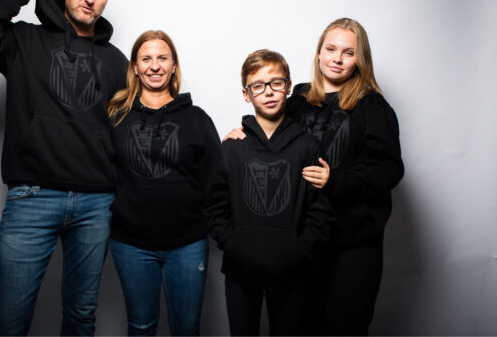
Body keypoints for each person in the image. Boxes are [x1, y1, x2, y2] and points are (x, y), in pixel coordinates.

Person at [0, 0, 128, 336]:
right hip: (32, 197)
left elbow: (131, 128)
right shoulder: (24, 40)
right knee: (9, 321)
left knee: (81, 318)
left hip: (96, 204)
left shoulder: (116, 61)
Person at [226, 18, 404, 335]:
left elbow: (389, 170)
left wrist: (336, 180)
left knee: (345, 327)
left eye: (348, 52)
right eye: (330, 49)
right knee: (302, 327)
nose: (337, 59)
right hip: (304, 241)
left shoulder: (372, 107)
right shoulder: (298, 101)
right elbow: (269, 130)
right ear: (319, 52)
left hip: (353, 244)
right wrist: (242, 135)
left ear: (361, 58)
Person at [204, 49, 334, 335]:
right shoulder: (231, 148)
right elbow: (214, 207)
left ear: (288, 87)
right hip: (240, 270)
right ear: (246, 94)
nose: (269, 92)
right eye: (258, 85)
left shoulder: (308, 147)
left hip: (292, 270)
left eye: (276, 82)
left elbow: (320, 211)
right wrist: (234, 244)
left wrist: (299, 250)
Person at [107, 30, 221, 335]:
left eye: (162, 58)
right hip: (130, 244)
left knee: (186, 329)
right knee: (141, 327)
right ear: (135, 67)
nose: (154, 66)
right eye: (146, 59)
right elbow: (103, 173)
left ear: (173, 66)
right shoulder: (117, 117)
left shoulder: (196, 118)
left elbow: (215, 179)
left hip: (188, 244)